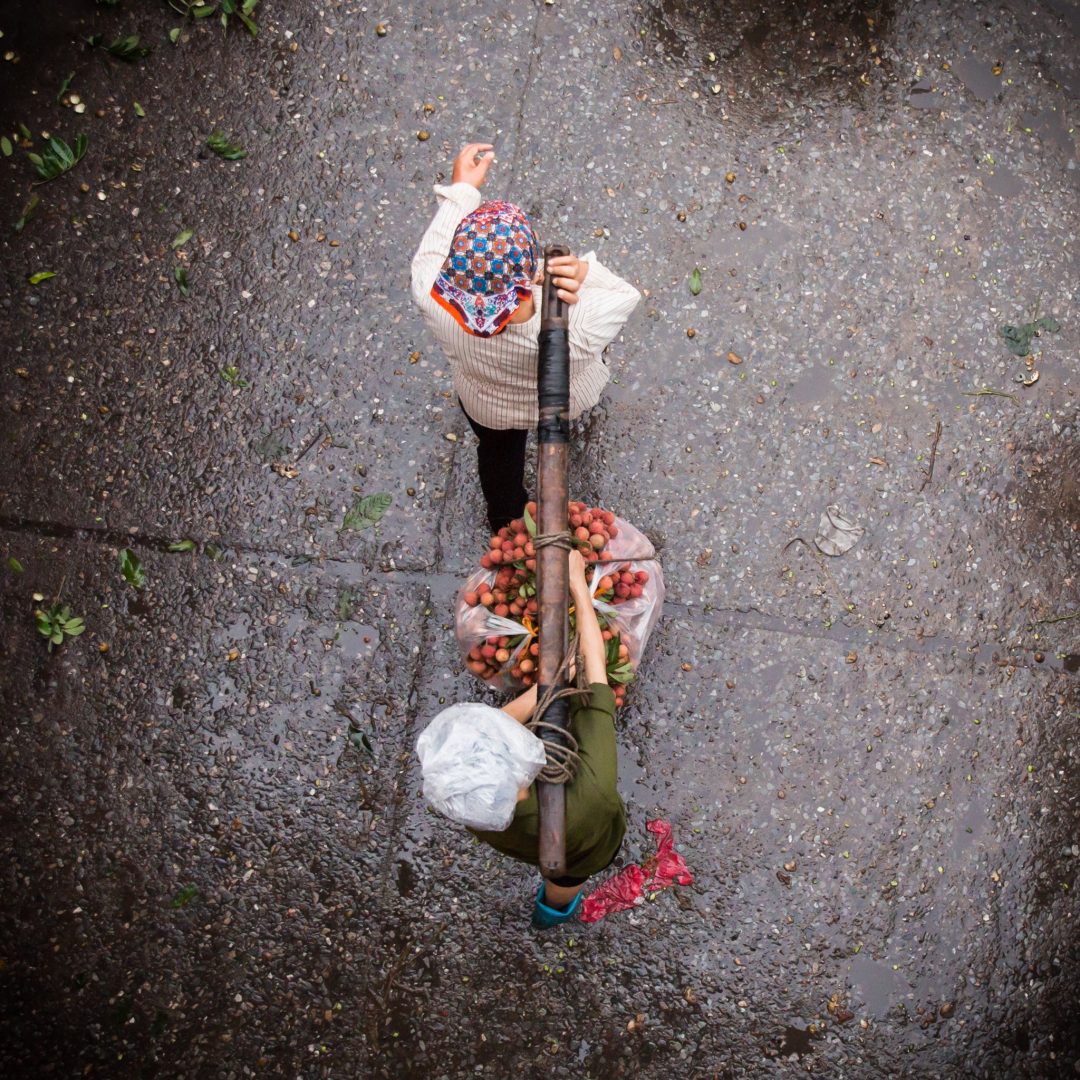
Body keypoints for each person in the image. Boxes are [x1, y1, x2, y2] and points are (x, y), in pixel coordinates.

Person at [410, 142, 641, 532]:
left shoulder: (432, 297)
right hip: (567, 399)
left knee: (497, 456)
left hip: (486, 406)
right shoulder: (579, 327)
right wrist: (584, 272)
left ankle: (505, 517)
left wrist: (462, 190)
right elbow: (626, 296)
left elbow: (429, 252)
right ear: (531, 272)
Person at [416, 550, 625, 927]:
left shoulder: (468, 797)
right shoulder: (590, 798)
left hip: (521, 842)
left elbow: (489, 728)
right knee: (564, 874)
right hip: (587, 846)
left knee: (552, 865)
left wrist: (551, 684)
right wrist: (578, 584)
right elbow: (598, 676)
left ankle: (547, 914)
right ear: (515, 775)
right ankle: (554, 911)